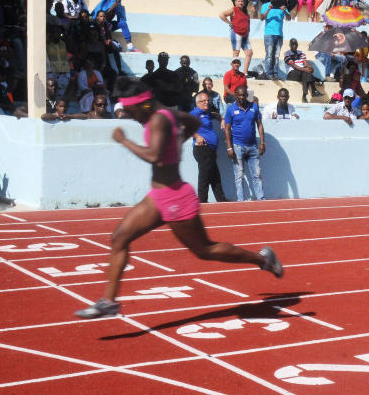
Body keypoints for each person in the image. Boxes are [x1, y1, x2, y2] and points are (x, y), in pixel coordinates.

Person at [75, 78, 280, 318]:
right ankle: (109, 302)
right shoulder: (166, 114)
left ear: (141, 105)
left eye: (131, 112)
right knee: (119, 237)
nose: (131, 118)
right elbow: (193, 121)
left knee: (205, 250)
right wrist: (178, 140)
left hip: (176, 199)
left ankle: (262, 259)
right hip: (158, 196)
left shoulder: (160, 120)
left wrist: (124, 141)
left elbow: (155, 157)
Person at [223, 83, 265, 201]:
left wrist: (262, 143)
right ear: (235, 95)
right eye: (239, 95)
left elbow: (260, 125)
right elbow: (227, 129)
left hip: (253, 146)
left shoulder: (254, 107)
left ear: (247, 95)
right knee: (239, 176)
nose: (242, 97)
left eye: (244, 95)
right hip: (237, 146)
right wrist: (229, 148)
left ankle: (261, 199)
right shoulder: (231, 109)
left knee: (257, 174)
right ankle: (241, 201)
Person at [190, 90, 228, 202]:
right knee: (205, 175)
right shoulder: (195, 113)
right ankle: (202, 201)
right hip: (202, 149)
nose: (206, 102)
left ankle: (221, 200)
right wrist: (197, 136)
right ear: (197, 103)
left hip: (210, 149)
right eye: (203, 101)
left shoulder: (206, 113)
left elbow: (215, 115)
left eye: (208, 100)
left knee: (215, 176)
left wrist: (221, 119)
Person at [220, 0, 253, 70]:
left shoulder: (244, 10)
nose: (240, 3)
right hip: (236, 33)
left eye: (242, 1)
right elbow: (222, 15)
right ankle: (234, 71)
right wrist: (229, 22)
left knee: (249, 53)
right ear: (235, 2)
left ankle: (245, 72)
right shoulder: (234, 9)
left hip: (245, 35)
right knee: (236, 53)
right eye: (239, 1)